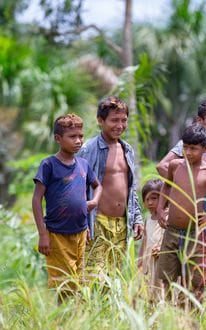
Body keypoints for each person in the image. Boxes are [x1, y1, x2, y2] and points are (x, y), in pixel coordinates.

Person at [155, 124, 206, 301]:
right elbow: (166, 186)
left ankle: (190, 320)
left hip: (195, 234)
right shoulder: (175, 166)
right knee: (166, 278)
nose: (188, 152)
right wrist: (161, 209)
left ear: (205, 148)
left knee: (194, 281)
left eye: (193, 148)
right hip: (172, 231)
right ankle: (168, 315)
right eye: (185, 147)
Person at [32, 114, 102, 302]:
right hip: (57, 235)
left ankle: (73, 320)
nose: (78, 141)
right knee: (65, 283)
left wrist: (94, 202)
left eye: (81, 136)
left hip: (80, 234)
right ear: (58, 138)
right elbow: (36, 199)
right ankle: (65, 320)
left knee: (78, 280)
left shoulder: (83, 164)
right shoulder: (49, 165)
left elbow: (97, 185)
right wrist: (42, 233)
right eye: (72, 136)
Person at [157, 99, 206, 277]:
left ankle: (196, 305)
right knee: (172, 273)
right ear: (200, 120)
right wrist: (183, 193)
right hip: (183, 220)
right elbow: (162, 166)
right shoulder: (186, 145)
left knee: (202, 275)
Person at [78, 96, 144, 278]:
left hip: (122, 224)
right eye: (114, 120)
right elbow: (79, 188)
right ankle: (88, 308)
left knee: (115, 276)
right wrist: (83, 221)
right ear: (101, 121)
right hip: (97, 221)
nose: (120, 125)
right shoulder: (89, 149)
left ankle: (110, 308)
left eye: (124, 120)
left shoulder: (127, 149)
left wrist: (137, 218)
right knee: (94, 276)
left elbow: (131, 189)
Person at [137, 179, 165, 293]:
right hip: (149, 263)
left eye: (154, 198)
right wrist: (140, 262)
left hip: (163, 262)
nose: (150, 203)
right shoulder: (148, 220)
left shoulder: (167, 219)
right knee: (149, 291)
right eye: (147, 199)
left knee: (162, 290)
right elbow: (144, 243)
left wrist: (161, 249)